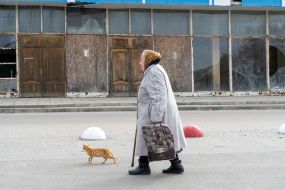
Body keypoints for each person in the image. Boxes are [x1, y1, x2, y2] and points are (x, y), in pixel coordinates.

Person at [128, 50, 187, 175]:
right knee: (164, 139)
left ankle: (143, 166)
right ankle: (176, 164)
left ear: (148, 60)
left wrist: (156, 118)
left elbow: (159, 96)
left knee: (147, 137)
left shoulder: (153, 72)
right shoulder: (156, 70)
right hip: (155, 110)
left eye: (141, 59)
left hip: (153, 112)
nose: (139, 62)